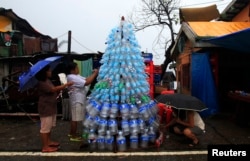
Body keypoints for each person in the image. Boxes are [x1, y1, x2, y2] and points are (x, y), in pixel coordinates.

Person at [35, 65, 73, 152]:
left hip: (51, 106)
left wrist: (60, 90)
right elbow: (52, 89)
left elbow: (54, 89)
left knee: (49, 126)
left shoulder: (47, 80)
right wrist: (65, 85)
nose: (50, 72)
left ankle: (48, 142)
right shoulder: (41, 82)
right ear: (44, 72)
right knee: (45, 127)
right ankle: (45, 147)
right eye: (48, 71)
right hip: (46, 107)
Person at [66, 62, 99, 141]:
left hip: (79, 99)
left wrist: (93, 74)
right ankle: (73, 136)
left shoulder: (75, 76)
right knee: (75, 119)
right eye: (77, 68)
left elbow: (86, 79)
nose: (78, 69)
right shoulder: (72, 77)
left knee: (75, 118)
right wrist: (95, 74)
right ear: (72, 70)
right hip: (77, 100)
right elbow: (87, 82)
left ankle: (72, 133)